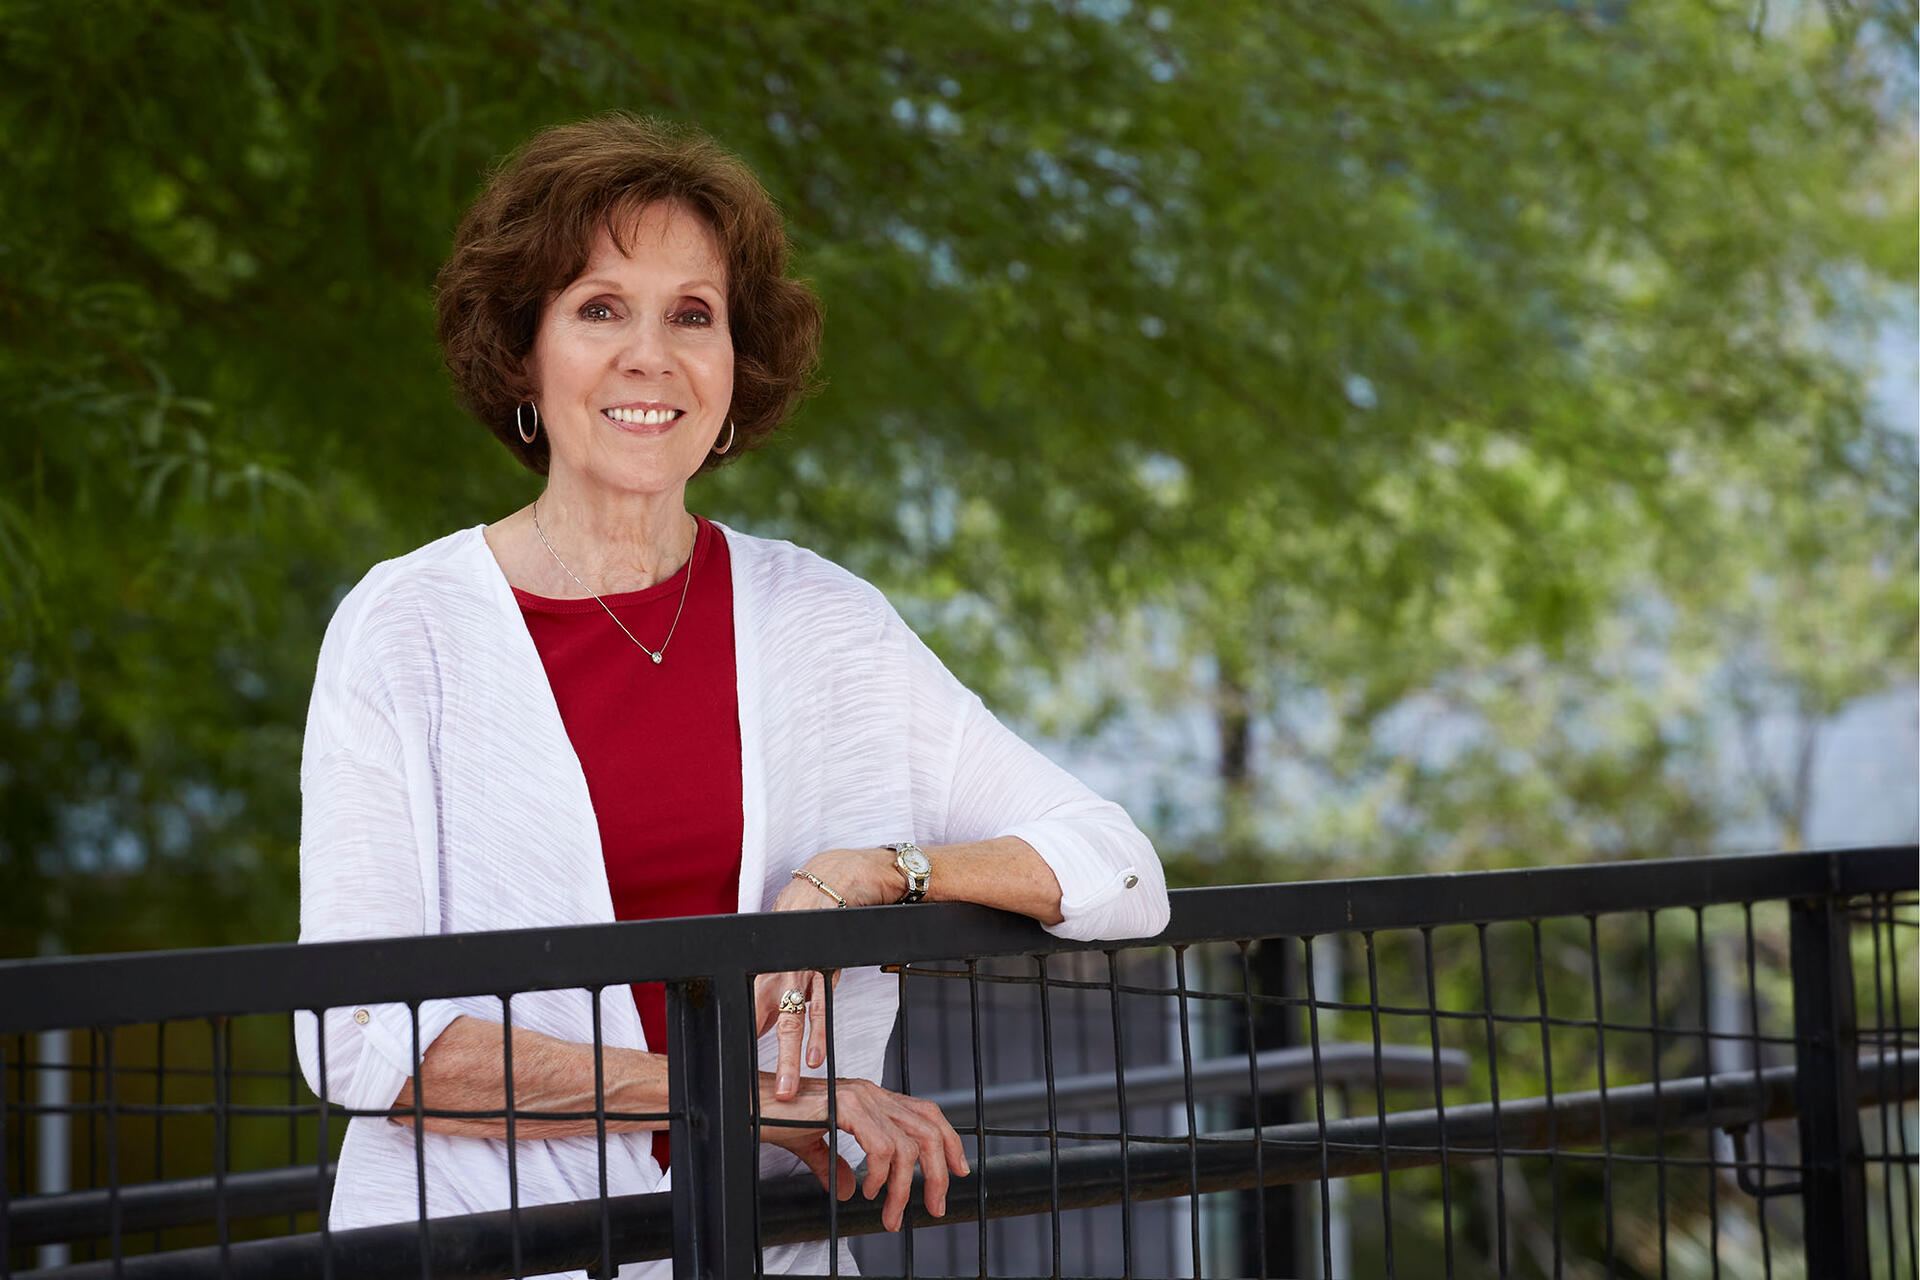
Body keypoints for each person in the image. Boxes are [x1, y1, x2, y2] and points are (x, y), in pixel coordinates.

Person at [292, 113, 1169, 1275]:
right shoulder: (405, 629)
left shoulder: (828, 622)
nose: (649, 355)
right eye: (600, 308)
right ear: (522, 354)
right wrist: (739, 1095)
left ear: (734, 366)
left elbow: (1122, 871)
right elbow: (360, 1041)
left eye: (693, 314)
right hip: (483, 1254)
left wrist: (874, 871)